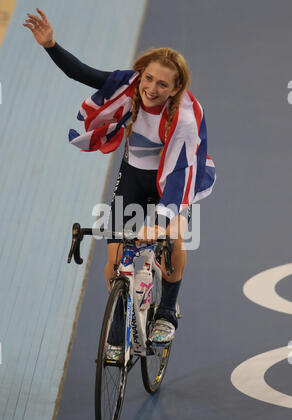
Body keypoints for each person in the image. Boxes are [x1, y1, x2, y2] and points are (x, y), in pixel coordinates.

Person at [23, 9, 215, 354]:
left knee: (172, 237)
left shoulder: (184, 118)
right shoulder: (130, 85)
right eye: (149, 79)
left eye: (163, 84)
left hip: (175, 177)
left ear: (176, 89)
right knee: (115, 258)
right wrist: (51, 45)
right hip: (134, 176)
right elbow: (85, 74)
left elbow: (180, 177)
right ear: (141, 74)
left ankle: (168, 311)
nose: (152, 89)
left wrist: (160, 222)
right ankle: (120, 313)